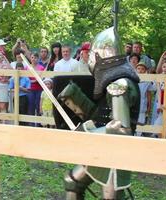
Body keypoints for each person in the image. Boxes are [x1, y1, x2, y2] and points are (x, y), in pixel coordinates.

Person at [60, 27, 140, 199]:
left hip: (114, 153)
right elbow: (103, 116)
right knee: (71, 181)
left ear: (100, 57)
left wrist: (86, 132)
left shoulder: (118, 86)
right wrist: (76, 100)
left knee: (110, 197)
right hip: (102, 148)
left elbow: (121, 129)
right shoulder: (117, 82)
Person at [135, 62, 155, 136]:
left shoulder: (147, 81)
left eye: (142, 69)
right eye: (138, 69)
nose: (140, 70)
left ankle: (139, 135)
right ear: (136, 69)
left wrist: (149, 105)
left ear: (145, 70)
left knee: (141, 120)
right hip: (134, 104)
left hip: (143, 104)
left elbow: (149, 93)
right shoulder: (133, 79)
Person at [27, 53, 45, 125]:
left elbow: (42, 78)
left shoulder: (41, 68)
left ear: (38, 59)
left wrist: (36, 80)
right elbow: (26, 78)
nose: (33, 59)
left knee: (38, 106)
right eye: (32, 57)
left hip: (39, 89)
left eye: (35, 57)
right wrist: (34, 80)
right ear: (30, 58)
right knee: (31, 106)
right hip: (30, 89)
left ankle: (38, 124)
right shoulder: (27, 67)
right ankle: (31, 124)